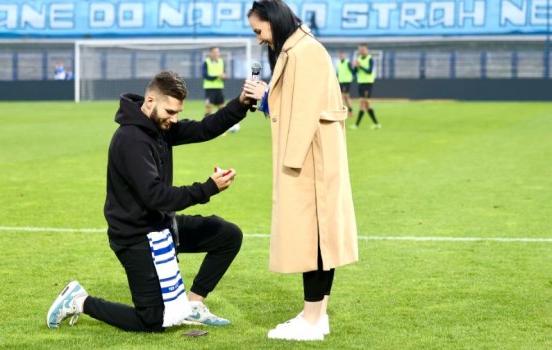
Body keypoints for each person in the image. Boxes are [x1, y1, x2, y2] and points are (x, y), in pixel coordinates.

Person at [47, 71, 255, 333]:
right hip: (134, 236)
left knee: (228, 236)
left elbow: (205, 128)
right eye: (170, 111)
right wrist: (208, 188)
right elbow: (155, 196)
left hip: (161, 226)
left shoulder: (160, 125)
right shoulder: (131, 140)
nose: (174, 119)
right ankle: (79, 301)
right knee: (152, 321)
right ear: (149, 101)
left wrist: (242, 103)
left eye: (178, 112)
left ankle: (193, 305)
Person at [243, 0, 358, 341]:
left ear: (273, 21)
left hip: (310, 158)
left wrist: (266, 99)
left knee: (315, 237)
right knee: (319, 235)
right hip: (314, 154)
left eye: (258, 30)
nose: (259, 38)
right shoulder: (301, 48)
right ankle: (316, 315)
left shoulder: (304, 51)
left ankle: (312, 320)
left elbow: (303, 111)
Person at [352, 43, 381, 129]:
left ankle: (356, 125)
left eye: (363, 50)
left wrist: (360, 66)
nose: (361, 51)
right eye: (360, 50)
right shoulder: (358, 58)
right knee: (366, 104)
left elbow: (369, 71)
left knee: (363, 103)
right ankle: (376, 124)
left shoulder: (370, 59)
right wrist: (355, 67)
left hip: (368, 83)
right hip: (360, 83)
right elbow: (354, 73)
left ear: (366, 50)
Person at [337, 51, 355, 119]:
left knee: (345, 97)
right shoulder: (339, 64)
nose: (341, 57)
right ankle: (348, 111)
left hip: (347, 82)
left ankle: (348, 111)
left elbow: (353, 72)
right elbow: (338, 73)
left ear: (345, 56)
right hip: (341, 82)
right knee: (344, 97)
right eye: (340, 56)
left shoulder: (347, 63)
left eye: (342, 55)